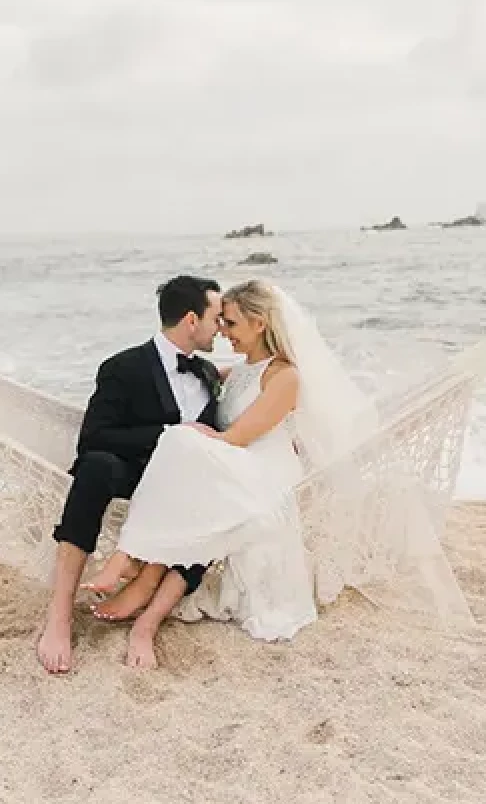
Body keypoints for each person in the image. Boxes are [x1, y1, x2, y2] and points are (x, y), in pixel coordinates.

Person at [91, 279, 371, 669]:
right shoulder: (238, 371)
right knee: (185, 473)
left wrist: (185, 433)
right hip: (233, 465)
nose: (223, 332)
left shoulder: (284, 375)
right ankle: (144, 592)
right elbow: (189, 383)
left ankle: (131, 562)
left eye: (231, 323)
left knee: (178, 445)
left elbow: (237, 437)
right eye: (220, 322)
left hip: (264, 472)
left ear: (259, 323)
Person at [34, 275, 223, 675]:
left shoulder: (206, 372)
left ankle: (146, 614)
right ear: (192, 320)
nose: (220, 328)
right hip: (132, 475)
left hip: (186, 487)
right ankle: (60, 613)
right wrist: (173, 435)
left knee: (211, 495)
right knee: (95, 468)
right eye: (216, 318)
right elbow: (95, 437)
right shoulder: (123, 367)